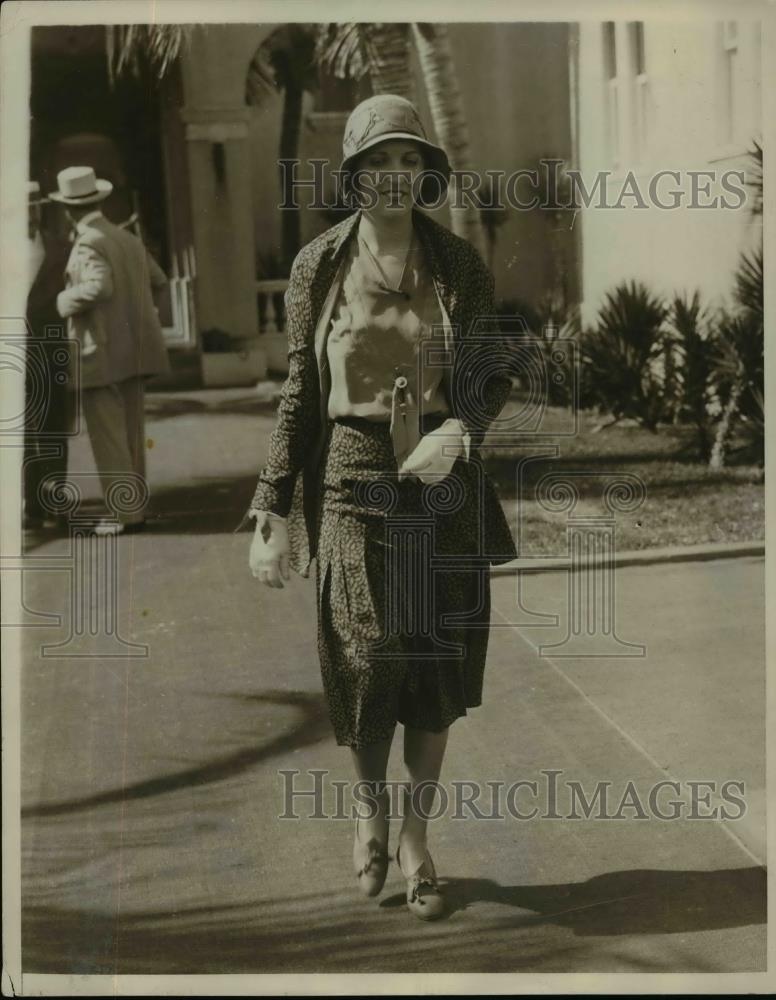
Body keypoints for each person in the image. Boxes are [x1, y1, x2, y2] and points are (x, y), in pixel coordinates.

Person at [246, 95, 517, 920]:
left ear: (423, 174)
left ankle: (415, 838)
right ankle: (367, 811)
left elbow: (490, 373)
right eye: (379, 163)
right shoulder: (318, 267)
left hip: (440, 483)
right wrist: (271, 505)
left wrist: (461, 434)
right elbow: (299, 388)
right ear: (356, 175)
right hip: (352, 477)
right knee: (368, 659)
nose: (395, 176)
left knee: (432, 666)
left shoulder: (458, 264)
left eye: (409, 162)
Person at [51, 166, 170, 535]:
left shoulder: (87, 242)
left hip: (98, 353)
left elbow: (99, 287)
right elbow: (159, 280)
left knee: (108, 436)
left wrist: (61, 301)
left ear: (68, 208)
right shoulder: (126, 238)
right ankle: (136, 509)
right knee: (132, 435)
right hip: (133, 351)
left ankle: (124, 515)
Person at [23, 181, 73, 531]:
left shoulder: (62, 248)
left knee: (54, 425)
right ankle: (29, 504)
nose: (27, 212)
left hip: (52, 348)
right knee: (21, 429)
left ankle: (52, 500)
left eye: (32, 206)